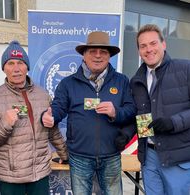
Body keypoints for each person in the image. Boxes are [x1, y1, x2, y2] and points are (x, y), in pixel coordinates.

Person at [42, 31, 137, 195]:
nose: (98, 56)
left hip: (111, 155)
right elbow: (58, 107)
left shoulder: (121, 81)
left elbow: (131, 110)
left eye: (103, 52)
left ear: (109, 56)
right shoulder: (68, 83)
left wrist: (116, 112)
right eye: (93, 51)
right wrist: (51, 116)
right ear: (84, 55)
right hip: (79, 158)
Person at [0, 40, 68, 195]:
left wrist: (65, 155)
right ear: (4, 69)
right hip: (11, 176)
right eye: (10, 63)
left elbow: (52, 130)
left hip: (39, 172)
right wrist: (5, 124)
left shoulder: (43, 95)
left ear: (27, 66)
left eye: (20, 63)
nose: (16, 69)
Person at [130, 24, 190, 194]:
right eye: (143, 46)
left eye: (153, 43)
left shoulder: (185, 69)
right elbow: (138, 116)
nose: (149, 49)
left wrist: (173, 123)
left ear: (164, 44)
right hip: (149, 158)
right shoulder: (136, 81)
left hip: (178, 158)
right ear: (139, 51)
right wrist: (125, 133)